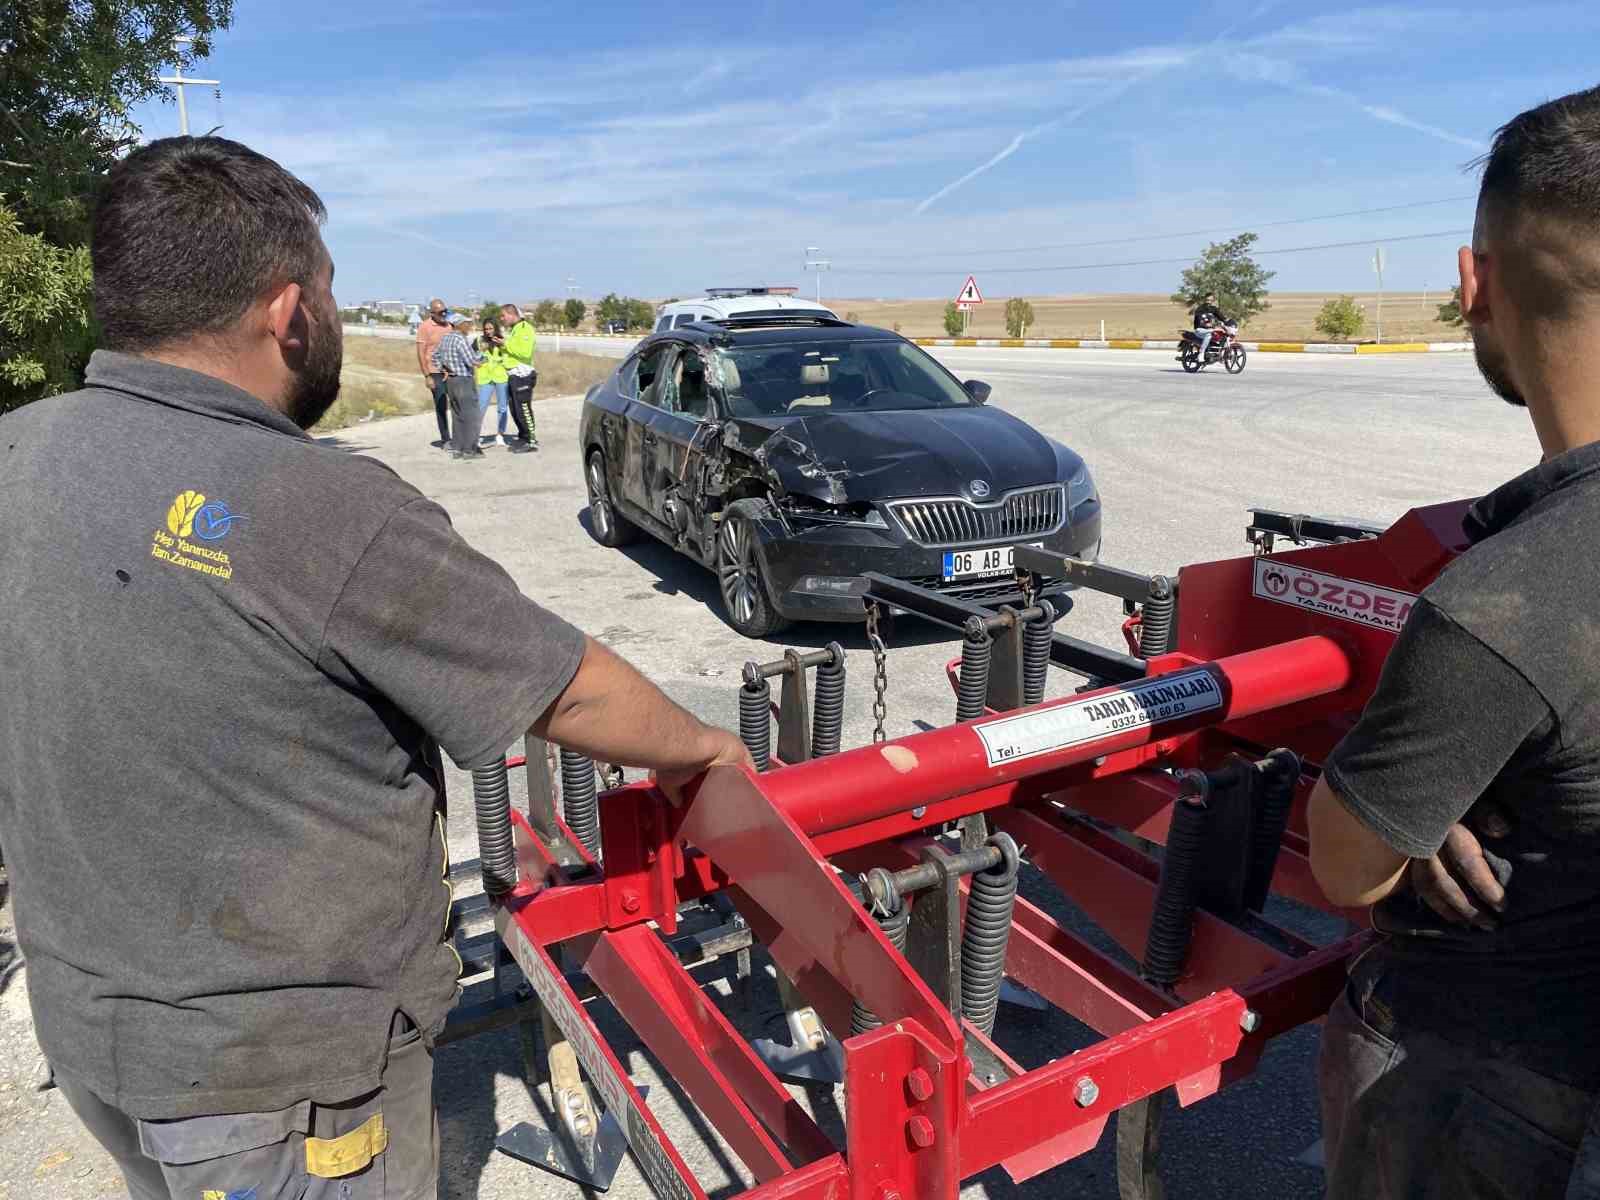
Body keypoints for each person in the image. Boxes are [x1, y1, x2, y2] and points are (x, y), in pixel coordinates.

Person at [0, 135, 750, 1200]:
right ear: (286, 309)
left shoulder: (17, 453)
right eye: (332, 290)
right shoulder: (321, 507)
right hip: (278, 1088)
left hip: (93, 1035)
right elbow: (563, 686)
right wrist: (707, 752)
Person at [1308, 84, 1600, 1200]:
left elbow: (1345, 860)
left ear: (1474, 285)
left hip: (1495, 1088)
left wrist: (1416, 787)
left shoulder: (1503, 604)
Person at [431, 312, 483, 461]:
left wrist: (443, 369)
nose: (469, 326)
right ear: (459, 325)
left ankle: (458, 448)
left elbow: (434, 356)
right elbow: (471, 360)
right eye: (467, 323)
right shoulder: (460, 339)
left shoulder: (445, 338)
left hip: (451, 382)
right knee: (471, 416)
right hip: (463, 381)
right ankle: (469, 450)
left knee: (457, 416)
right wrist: (482, 354)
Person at [473, 317, 517, 450]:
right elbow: (470, 354)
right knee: (481, 407)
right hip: (485, 378)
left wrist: (503, 344)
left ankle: (500, 435)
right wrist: (477, 361)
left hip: (501, 377)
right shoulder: (479, 340)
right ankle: (476, 436)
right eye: (486, 329)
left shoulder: (503, 339)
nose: (488, 331)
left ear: (495, 328)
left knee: (502, 408)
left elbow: (511, 355)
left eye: (490, 328)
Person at [500, 303, 538, 449]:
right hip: (513, 374)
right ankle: (523, 436)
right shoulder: (514, 330)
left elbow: (525, 352)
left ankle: (531, 441)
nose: (501, 319)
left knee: (523, 409)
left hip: (523, 374)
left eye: (503, 315)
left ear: (511, 314)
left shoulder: (525, 328)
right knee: (515, 409)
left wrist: (505, 344)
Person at [415, 297, 450, 447]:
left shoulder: (450, 326)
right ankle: (446, 438)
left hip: (451, 371)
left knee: (457, 404)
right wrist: (427, 376)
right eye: (440, 312)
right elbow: (421, 353)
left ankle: (461, 436)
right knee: (441, 404)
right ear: (432, 313)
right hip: (435, 372)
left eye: (445, 311)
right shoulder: (425, 327)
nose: (444, 314)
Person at [1183, 291, 1227, 361]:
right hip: (1200, 330)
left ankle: (1219, 354)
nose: (1209, 302)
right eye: (1207, 300)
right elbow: (1200, 319)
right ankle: (1201, 353)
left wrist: (1228, 322)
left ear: (1213, 300)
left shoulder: (1214, 309)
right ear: (1204, 299)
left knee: (1222, 334)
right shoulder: (1200, 309)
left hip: (1210, 329)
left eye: (1210, 300)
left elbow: (1221, 317)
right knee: (1209, 334)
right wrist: (1207, 324)